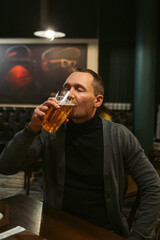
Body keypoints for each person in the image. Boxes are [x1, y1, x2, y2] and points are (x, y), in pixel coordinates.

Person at [0, 67, 160, 240]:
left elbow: (153, 186)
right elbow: (6, 167)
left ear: (97, 101)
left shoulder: (120, 135)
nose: (70, 94)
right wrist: (31, 129)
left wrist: (139, 235)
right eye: (66, 88)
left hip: (105, 231)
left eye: (79, 88)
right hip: (55, 228)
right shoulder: (49, 133)